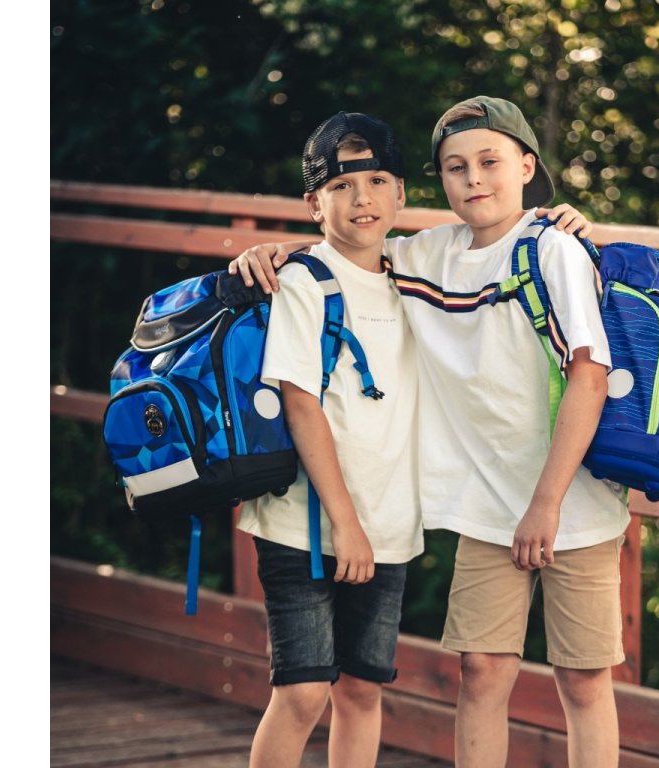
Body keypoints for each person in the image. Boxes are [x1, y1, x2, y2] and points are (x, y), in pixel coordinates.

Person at [231, 97, 627, 768]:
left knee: (584, 678)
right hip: (484, 509)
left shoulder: (551, 248)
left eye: (490, 162)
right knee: (481, 672)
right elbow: (350, 250)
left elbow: (589, 376)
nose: (474, 179)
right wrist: (275, 253)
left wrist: (547, 503)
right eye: (455, 167)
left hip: (571, 502)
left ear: (526, 166)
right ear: (437, 180)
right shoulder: (426, 256)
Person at [236, 111, 423, 768]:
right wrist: (345, 524)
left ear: (401, 193)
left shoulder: (416, 276)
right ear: (314, 203)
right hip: (304, 523)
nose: (362, 198)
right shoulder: (301, 281)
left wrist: (559, 221)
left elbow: (494, 239)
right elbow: (300, 402)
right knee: (303, 693)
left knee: (363, 691)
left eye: (377, 182)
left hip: (390, 523)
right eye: (341, 186)